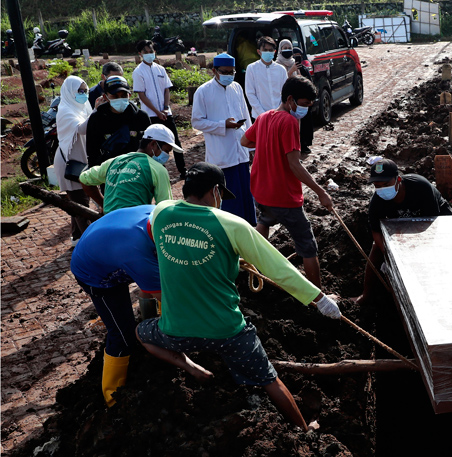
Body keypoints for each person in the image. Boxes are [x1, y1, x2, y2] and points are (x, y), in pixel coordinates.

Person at [136, 162, 342, 430]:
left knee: (142, 332)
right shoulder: (233, 225)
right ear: (214, 191)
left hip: (177, 333)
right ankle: (304, 429)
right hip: (228, 333)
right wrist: (320, 299)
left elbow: (153, 236)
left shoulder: (162, 211)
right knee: (270, 380)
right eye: (220, 195)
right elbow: (279, 268)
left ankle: (194, 369)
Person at [240, 77, 332, 288]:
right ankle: (318, 294)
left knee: (264, 221)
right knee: (307, 245)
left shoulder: (263, 117)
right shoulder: (290, 122)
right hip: (284, 197)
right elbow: (295, 165)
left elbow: (244, 141)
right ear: (290, 99)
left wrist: (266, 143)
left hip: (262, 192)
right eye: (304, 104)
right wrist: (320, 192)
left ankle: (254, 272)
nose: (306, 110)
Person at [71, 205, 161, 407]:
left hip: (107, 248)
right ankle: (112, 397)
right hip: (94, 273)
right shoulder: (136, 253)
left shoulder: (161, 214)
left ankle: (151, 325)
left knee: (156, 281)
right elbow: (167, 296)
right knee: (122, 333)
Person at [353, 158, 452, 305]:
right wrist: (389, 257)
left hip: (433, 217)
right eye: (377, 185)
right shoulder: (377, 201)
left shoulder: (421, 187)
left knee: (449, 242)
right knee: (376, 248)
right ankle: (366, 295)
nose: (382, 189)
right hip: (400, 221)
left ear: (398, 179)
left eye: (386, 184)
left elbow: (432, 226)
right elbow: (376, 233)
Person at [191, 53, 256, 225]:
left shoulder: (237, 88)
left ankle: (247, 229)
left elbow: (245, 116)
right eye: (225, 72)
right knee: (228, 199)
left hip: (240, 151)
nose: (229, 75)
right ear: (214, 71)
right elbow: (197, 121)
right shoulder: (203, 91)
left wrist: (251, 146)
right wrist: (222, 125)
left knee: (244, 195)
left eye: (232, 72)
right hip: (221, 153)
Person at [79, 124, 180, 214]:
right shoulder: (157, 169)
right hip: (134, 223)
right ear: (153, 144)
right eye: (166, 151)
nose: (167, 156)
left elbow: (84, 179)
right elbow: (165, 209)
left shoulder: (114, 161)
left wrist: (104, 205)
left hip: (108, 222)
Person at [133, 39, 187, 179]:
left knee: (175, 141)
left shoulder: (160, 69)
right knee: (156, 144)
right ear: (140, 54)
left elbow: (166, 90)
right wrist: (157, 112)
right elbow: (142, 95)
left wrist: (164, 108)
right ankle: (159, 172)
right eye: (146, 52)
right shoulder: (138, 72)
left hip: (165, 112)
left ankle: (183, 170)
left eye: (151, 51)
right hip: (151, 114)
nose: (149, 54)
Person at [54, 76, 93, 245]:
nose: (83, 94)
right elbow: (83, 129)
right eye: (80, 91)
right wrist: (98, 112)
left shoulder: (82, 107)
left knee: (76, 203)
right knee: (81, 205)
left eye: (85, 90)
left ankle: (76, 237)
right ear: (70, 92)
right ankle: (89, 244)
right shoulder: (65, 110)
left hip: (79, 161)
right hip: (70, 164)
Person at [86, 76, 152, 169]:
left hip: (136, 169)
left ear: (129, 95)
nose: (120, 99)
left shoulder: (140, 117)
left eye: (123, 95)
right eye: (115, 96)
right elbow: (92, 150)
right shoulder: (97, 118)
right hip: (109, 171)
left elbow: (150, 146)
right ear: (105, 97)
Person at [244, 36, 288, 120]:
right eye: (265, 50)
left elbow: (285, 92)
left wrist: (279, 111)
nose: (268, 52)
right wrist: (262, 113)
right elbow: (250, 93)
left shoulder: (281, 69)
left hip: (279, 115)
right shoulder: (252, 68)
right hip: (259, 117)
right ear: (259, 51)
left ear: (275, 52)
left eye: (270, 50)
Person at [288, 46, 315, 154]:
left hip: (303, 101)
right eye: (294, 56)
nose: (296, 58)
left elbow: (309, 83)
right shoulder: (283, 67)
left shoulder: (303, 69)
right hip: (292, 101)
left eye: (298, 56)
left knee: (305, 123)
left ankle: (304, 144)